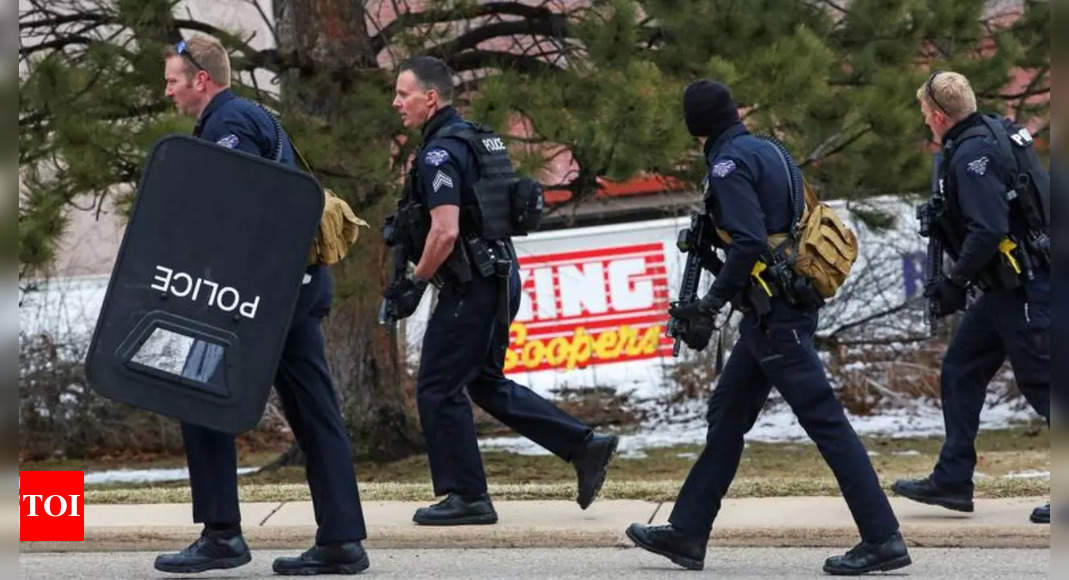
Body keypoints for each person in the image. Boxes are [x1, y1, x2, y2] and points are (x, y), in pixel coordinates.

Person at [625, 80, 910, 575]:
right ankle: (688, 532)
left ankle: (883, 538)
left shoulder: (728, 164)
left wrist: (710, 306)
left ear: (696, 129)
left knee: (826, 423)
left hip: (778, 319)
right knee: (727, 416)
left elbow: (750, 242)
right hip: (774, 315)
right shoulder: (768, 150)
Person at [155, 34, 370, 575]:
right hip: (291, 287)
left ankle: (223, 535)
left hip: (261, 296)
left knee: (197, 393)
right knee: (315, 413)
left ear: (201, 80)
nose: (168, 93)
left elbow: (240, 209)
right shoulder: (250, 116)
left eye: (173, 81)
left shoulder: (229, 125)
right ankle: (342, 541)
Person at [385, 56, 618, 525]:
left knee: (436, 386)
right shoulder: (477, 138)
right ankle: (583, 445)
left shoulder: (438, 153)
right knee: (483, 382)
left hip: (471, 285)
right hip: (499, 275)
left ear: (430, 98)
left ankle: (467, 496)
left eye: (403, 93)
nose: (396, 103)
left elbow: (444, 231)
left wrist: (416, 283)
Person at [892, 71, 1050, 524]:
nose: (925, 122)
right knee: (961, 369)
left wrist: (954, 280)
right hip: (1007, 288)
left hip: (1027, 286)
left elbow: (989, 228)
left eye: (925, 114)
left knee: (1046, 385)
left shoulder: (972, 154)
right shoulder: (991, 132)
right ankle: (954, 480)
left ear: (939, 116)